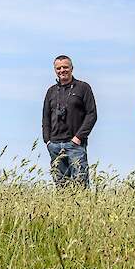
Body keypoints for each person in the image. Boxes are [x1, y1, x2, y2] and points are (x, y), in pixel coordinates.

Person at [42, 55, 97, 188]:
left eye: (65, 67)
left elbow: (92, 114)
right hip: (54, 145)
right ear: (55, 70)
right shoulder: (51, 91)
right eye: (58, 68)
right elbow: (45, 117)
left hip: (75, 145)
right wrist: (47, 140)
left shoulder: (83, 88)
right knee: (61, 187)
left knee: (81, 185)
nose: (62, 70)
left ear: (72, 68)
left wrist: (78, 138)